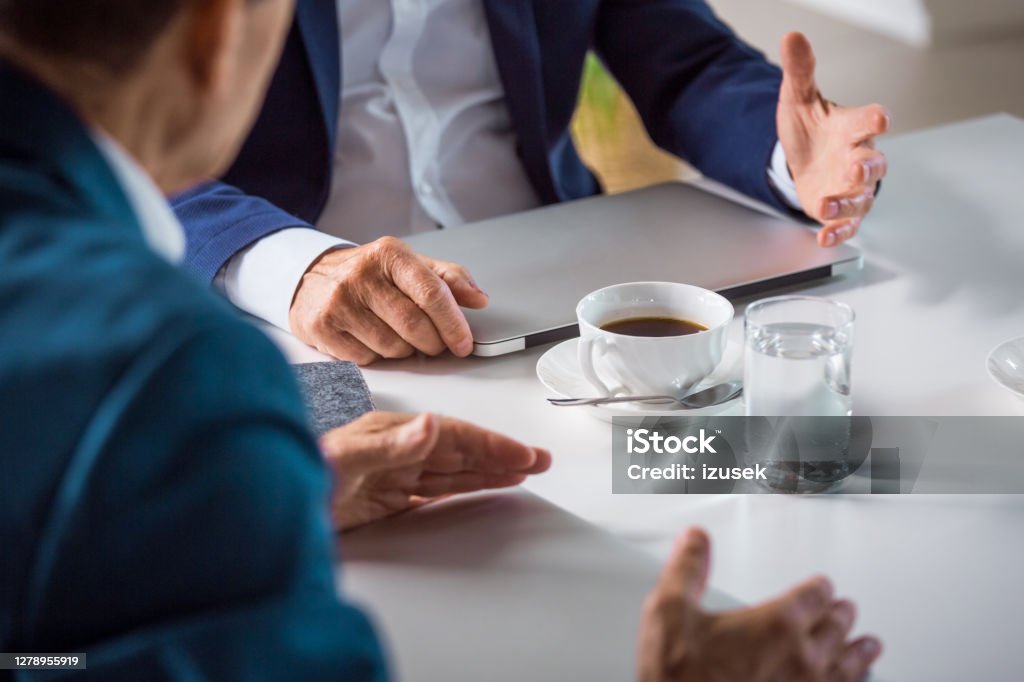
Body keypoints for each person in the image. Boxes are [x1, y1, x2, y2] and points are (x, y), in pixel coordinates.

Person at [0, 0, 881, 679]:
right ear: (220, 35)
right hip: (308, 357)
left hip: (553, 297)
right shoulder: (175, 382)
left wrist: (291, 497)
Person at [172, 1, 891, 365]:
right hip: (292, 328)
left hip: (563, 296)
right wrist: (295, 268)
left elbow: (687, 60)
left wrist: (788, 152)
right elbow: (119, 141)